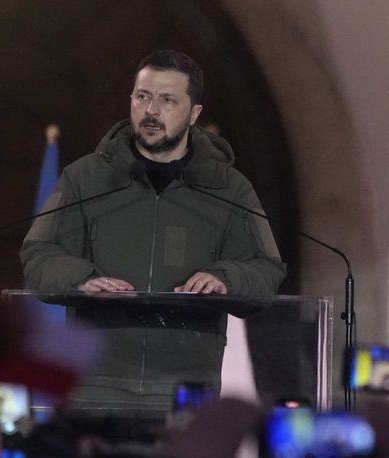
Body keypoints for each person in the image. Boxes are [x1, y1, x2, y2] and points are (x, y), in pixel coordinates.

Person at [20, 50, 285, 418]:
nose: (151, 110)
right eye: (142, 96)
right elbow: (38, 254)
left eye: (167, 100)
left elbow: (267, 269)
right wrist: (81, 279)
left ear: (194, 113)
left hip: (185, 390)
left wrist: (225, 278)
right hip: (98, 385)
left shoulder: (229, 189)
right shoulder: (85, 179)